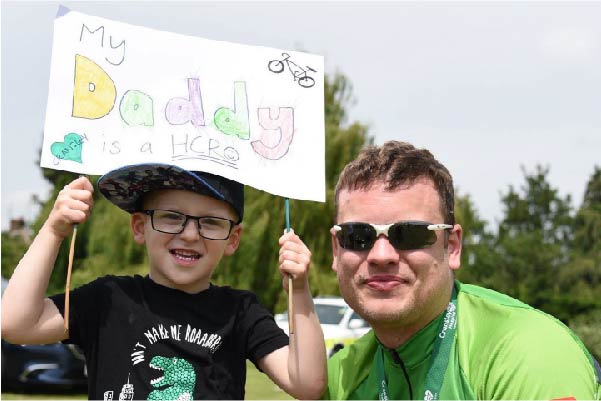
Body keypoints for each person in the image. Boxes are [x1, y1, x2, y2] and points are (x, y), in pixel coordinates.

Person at [1, 163, 326, 400]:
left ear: (233, 239)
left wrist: (300, 290)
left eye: (211, 223)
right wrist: (54, 230)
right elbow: (15, 323)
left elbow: (307, 384)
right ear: (140, 227)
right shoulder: (108, 300)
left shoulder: (241, 312)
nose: (189, 234)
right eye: (172, 217)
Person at [323, 141, 601, 400]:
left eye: (409, 234)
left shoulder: (529, 352)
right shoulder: (340, 378)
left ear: (452, 247)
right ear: (336, 251)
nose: (381, 256)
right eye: (357, 236)